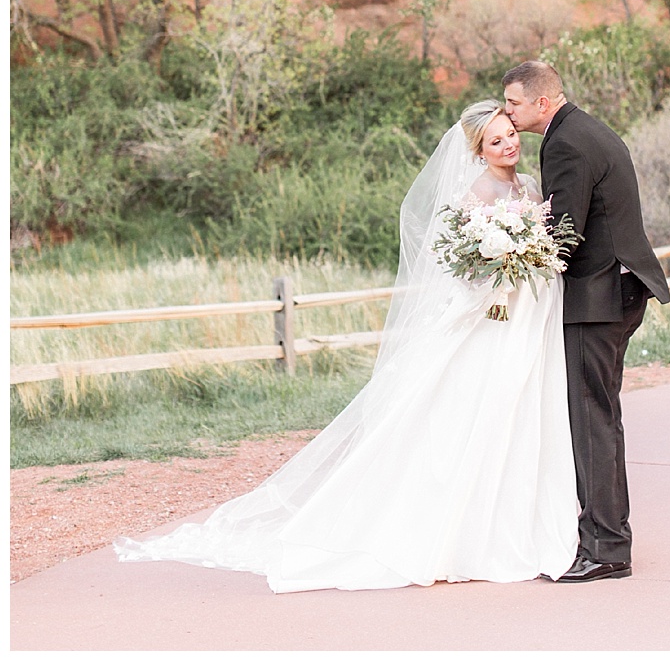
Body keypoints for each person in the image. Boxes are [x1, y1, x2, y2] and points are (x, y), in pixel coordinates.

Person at [115, 101, 578, 591]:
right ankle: (460, 531)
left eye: (510, 134)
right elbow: (459, 268)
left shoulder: (529, 185)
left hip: (530, 312)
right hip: (492, 318)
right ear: (478, 150)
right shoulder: (477, 192)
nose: (509, 145)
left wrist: (530, 256)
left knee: (524, 406)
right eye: (496, 140)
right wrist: (497, 269)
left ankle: (519, 518)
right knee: (479, 409)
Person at [503, 60, 670, 584]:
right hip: (617, 286)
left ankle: (606, 548)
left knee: (592, 418)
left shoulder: (565, 143)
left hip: (597, 297)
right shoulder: (584, 128)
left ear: (542, 103)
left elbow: (566, 232)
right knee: (600, 414)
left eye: (513, 103)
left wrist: (511, 261)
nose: (507, 112)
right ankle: (602, 534)